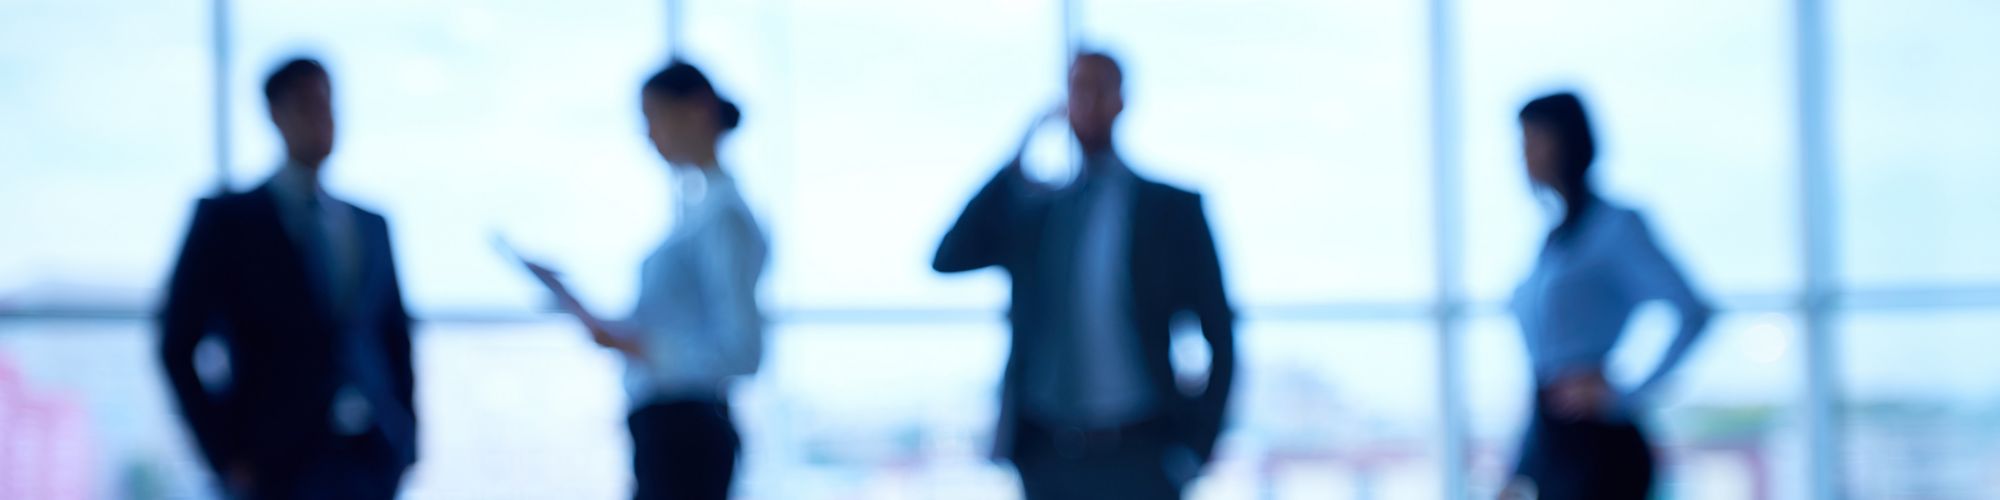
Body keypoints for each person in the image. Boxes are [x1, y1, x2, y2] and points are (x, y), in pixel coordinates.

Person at [932, 51, 1236, 500]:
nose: (1089, 102)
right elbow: (948, 257)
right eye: (1078, 89)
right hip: (1048, 456)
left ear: (1122, 101)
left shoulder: (1172, 210)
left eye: (1100, 89)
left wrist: (1197, 447)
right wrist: (1019, 154)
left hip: (1143, 453)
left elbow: (1220, 334)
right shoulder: (1037, 213)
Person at [158, 57, 417, 500]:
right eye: (307, 104)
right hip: (272, 463)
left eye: (328, 103)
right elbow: (177, 344)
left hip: (371, 458)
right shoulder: (228, 222)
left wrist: (408, 442)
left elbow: (397, 337)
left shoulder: (372, 224)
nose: (323, 117)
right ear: (275, 115)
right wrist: (224, 454)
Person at [526, 61, 767, 500]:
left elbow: (742, 351)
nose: (649, 135)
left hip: (687, 434)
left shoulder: (724, 216)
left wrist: (636, 345)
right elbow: (676, 325)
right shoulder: (699, 210)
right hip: (668, 431)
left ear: (697, 110)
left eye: (654, 117)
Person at [1500, 92, 1714, 500]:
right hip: (1552, 439)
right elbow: (1543, 376)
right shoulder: (1552, 242)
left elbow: (1693, 312)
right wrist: (1520, 467)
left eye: (1534, 141)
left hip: (1599, 449)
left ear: (1567, 143)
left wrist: (1626, 395)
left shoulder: (1617, 227)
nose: (1524, 156)